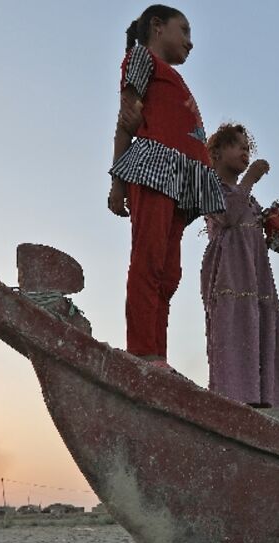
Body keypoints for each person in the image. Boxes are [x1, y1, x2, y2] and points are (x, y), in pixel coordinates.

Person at [108, 5, 224, 370]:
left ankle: (158, 355)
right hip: (155, 170)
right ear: (157, 27)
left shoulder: (172, 78)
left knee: (169, 272)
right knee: (149, 261)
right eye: (184, 30)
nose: (190, 42)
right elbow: (126, 119)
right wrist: (117, 182)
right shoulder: (142, 58)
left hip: (180, 180)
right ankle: (142, 351)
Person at [200, 123, 279, 419]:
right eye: (237, 145)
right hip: (230, 273)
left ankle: (267, 400)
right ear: (215, 153)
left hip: (256, 276)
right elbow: (226, 214)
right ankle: (236, 399)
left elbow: (254, 228)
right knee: (235, 326)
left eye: (247, 147)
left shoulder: (249, 199)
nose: (245, 151)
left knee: (261, 325)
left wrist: (274, 228)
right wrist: (251, 178)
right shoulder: (210, 186)